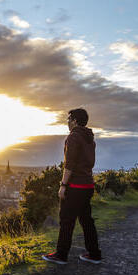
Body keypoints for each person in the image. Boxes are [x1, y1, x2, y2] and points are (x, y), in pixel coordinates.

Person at [43, 108, 102, 264]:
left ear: (75, 121)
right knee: (87, 221)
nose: (67, 122)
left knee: (67, 221)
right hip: (88, 185)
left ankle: (61, 255)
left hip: (75, 186)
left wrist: (63, 185)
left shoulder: (74, 137)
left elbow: (69, 165)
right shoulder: (90, 138)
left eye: (69, 119)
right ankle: (94, 254)